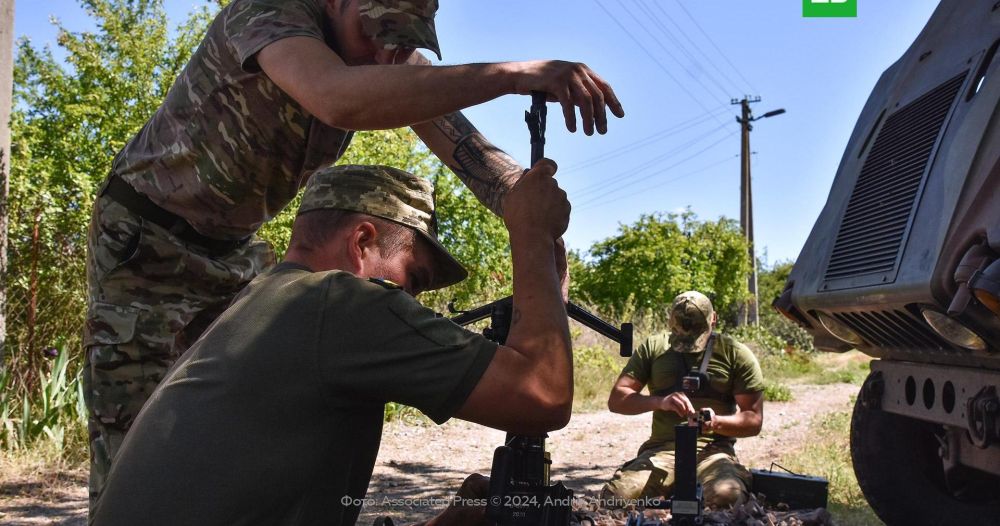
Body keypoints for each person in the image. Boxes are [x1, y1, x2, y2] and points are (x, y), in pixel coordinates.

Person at [83, 0, 624, 510]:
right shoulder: (270, 16)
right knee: (138, 441)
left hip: (235, 252)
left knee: (244, 430)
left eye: (403, 43)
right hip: (148, 243)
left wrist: (532, 216)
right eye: (377, 34)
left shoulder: (383, 51)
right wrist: (515, 74)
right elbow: (338, 97)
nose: (387, 56)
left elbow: (471, 153)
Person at [90, 160, 572, 526]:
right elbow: (542, 397)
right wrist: (530, 233)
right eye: (414, 280)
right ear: (361, 243)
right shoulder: (337, 302)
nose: (415, 305)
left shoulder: (265, 301)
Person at [601, 291, 765, 509]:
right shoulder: (654, 348)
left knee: (726, 497)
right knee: (616, 497)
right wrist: (660, 402)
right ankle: (671, 491)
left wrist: (715, 422)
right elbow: (618, 399)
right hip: (662, 451)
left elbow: (753, 419)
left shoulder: (734, 353)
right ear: (670, 321)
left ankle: (697, 489)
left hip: (714, 452)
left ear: (713, 319)